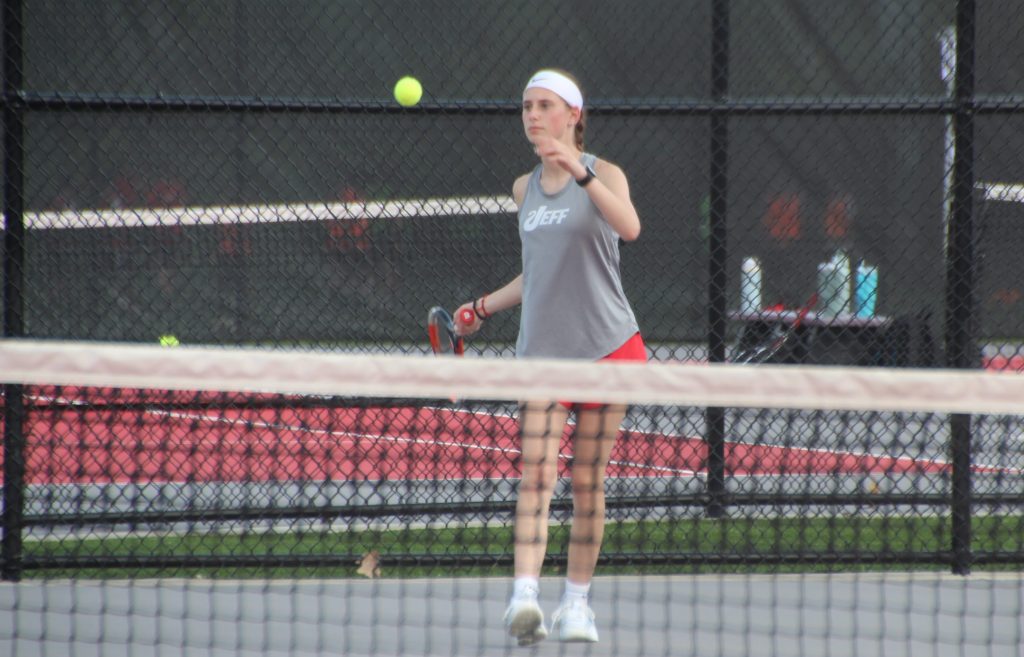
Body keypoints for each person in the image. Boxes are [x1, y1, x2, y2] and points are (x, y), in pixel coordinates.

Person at [454, 68, 645, 646]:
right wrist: (482, 307)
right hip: (541, 355)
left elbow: (630, 229)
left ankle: (577, 606)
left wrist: (581, 172)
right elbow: (537, 272)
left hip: (610, 349)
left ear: (573, 116)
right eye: (526, 106)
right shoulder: (523, 188)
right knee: (537, 475)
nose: (532, 115)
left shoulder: (607, 173)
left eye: (544, 106)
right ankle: (524, 598)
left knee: (587, 481)